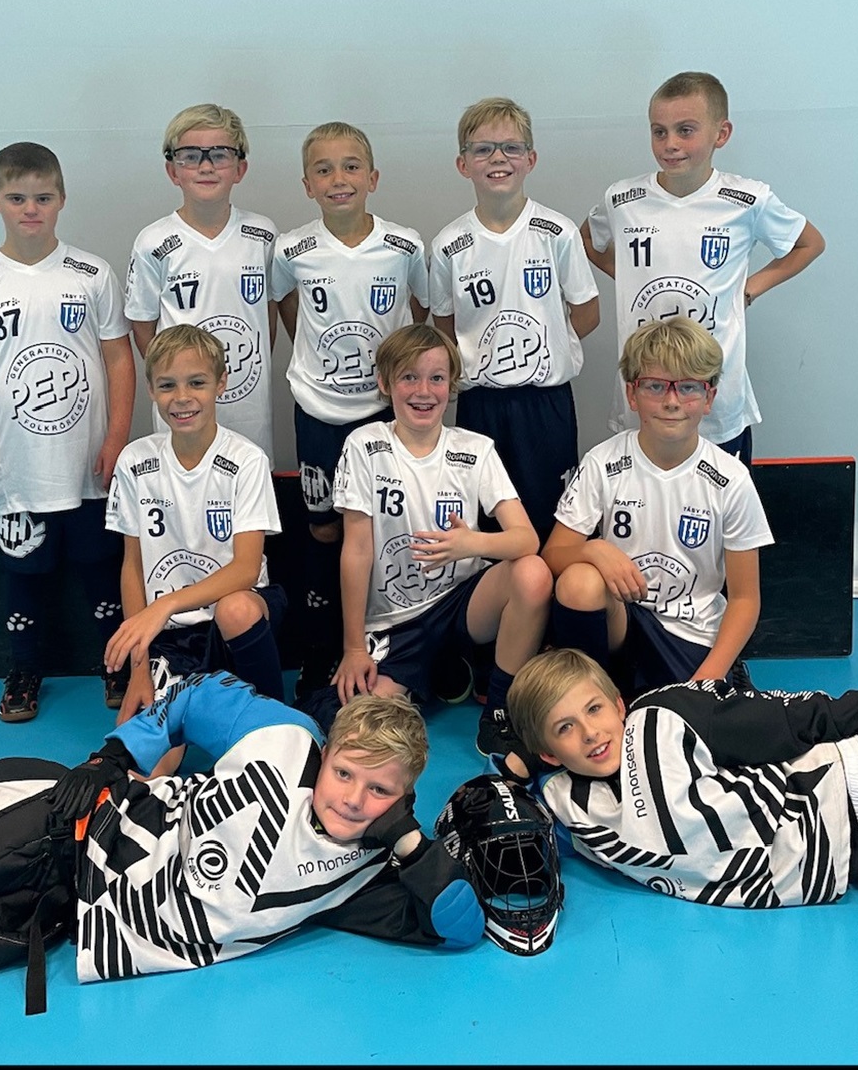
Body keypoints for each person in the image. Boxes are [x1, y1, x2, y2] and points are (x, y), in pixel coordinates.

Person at [0, 677, 485, 1012]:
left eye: (380, 790)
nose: (352, 799)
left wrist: (407, 840)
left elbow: (459, 926)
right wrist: (113, 756)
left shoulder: (365, 874)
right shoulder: (286, 739)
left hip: (64, 916)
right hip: (69, 826)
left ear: (404, 796)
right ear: (325, 755)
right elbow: (195, 697)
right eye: (344, 774)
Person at [300, 322, 552, 771]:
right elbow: (356, 551)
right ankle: (437, 673)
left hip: (461, 605)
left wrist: (470, 543)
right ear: (385, 383)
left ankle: (499, 710)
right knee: (358, 730)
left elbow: (526, 539)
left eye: (436, 378)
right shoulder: (365, 445)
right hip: (396, 622)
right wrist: (354, 647)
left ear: (452, 385)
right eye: (409, 377)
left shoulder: (475, 449)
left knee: (532, 572)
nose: (423, 390)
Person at [0, 141, 136, 722]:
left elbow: (120, 358)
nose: (31, 209)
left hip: (88, 466)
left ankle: (117, 666)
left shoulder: (92, 273)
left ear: (62, 199)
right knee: (23, 575)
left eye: (43, 198)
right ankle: (25, 670)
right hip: (15, 468)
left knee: (101, 569)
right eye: (17, 198)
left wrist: (117, 438)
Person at [582, 70, 825, 468]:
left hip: (716, 397)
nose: (670, 144)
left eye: (686, 130)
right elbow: (589, 240)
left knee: (719, 498)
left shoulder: (746, 198)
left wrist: (749, 289)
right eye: (659, 132)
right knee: (643, 495)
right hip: (645, 390)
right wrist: (628, 277)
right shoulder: (623, 198)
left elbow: (809, 243)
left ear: (721, 133)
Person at [506, 648, 858, 907]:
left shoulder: (667, 717)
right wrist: (514, 767)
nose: (590, 733)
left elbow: (794, 719)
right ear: (549, 754)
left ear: (619, 705)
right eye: (565, 727)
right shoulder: (570, 804)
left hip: (857, 786)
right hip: (851, 857)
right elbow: (509, 831)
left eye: (594, 709)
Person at [272, 121, 430, 697]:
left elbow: (421, 312)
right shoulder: (291, 250)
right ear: (307, 185)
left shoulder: (405, 245)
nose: (338, 178)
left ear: (373, 177)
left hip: (383, 416)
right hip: (319, 415)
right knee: (324, 529)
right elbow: (287, 307)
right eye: (323, 169)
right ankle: (323, 649)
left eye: (350, 166)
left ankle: (392, 642)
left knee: (385, 526)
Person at [541, 317, 773, 700]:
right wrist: (593, 550)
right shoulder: (603, 462)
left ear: (709, 398)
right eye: (655, 386)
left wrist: (709, 676)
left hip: (692, 636)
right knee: (578, 582)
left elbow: (745, 599)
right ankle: (591, 694)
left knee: (684, 723)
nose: (671, 401)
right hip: (624, 625)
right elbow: (553, 555)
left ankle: (714, 680)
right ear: (632, 395)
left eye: (688, 387)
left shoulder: (730, 479)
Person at [102, 324, 285, 776]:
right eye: (167, 385)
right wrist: (139, 669)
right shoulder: (135, 461)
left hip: (234, 619)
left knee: (236, 608)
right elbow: (132, 566)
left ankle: (271, 720)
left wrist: (164, 605)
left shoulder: (247, 460)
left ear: (221, 384)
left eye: (197, 382)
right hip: (170, 637)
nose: (182, 397)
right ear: (151, 390)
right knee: (145, 770)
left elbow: (245, 569)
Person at [428, 96, 600, 547]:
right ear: (463, 164)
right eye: (483, 149)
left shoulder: (557, 232)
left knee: (549, 514)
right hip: (481, 403)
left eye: (511, 147)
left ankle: (551, 590)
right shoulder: (449, 244)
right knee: (486, 518)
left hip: (546, 403)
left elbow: (587, 312)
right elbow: (444, 327)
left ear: (530, 159)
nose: (498, 158)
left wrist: (548, 349)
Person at [124, 103, 278, 463]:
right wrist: (179, 376)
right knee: (183, 487)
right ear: (172, 171)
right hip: (183, 409)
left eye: (219, 155)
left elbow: (267, 317)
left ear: (240, 169)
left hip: (248, 406)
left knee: (247, 484)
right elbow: (143, 327)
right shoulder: (153, 242)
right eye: (191, 156)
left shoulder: (263, 235)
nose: (206, 167)